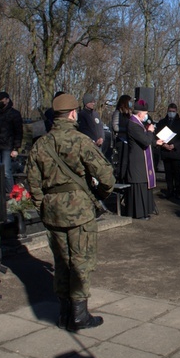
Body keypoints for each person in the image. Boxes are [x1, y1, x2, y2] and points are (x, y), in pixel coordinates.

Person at [26, 93, 115, 332]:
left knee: (62, 261)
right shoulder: (81, 141)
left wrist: (42, 205)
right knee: (81, 261)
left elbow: (32, 182)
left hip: (52, 211)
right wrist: (101, 195)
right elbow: (106, 176)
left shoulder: (40, 144)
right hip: (80, 211)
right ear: (74, 113)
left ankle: (64, 314)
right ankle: (79, 315)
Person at [126, 99, 163, 219]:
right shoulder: (133, 124)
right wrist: (150, 131)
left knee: (144, 183)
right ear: (140, 113)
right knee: (139, 185)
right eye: (145, 112)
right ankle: (139, 213)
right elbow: (145, 140)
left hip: (142, 160)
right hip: (137, 161)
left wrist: (156, 142)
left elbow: (146, 140)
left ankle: (146, 210)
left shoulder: (138, 123)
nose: (146, 115)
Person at [0, 91, 23, 195]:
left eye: (1, 99)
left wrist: (16, 148)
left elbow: (19, 132)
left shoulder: (14, 114)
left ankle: (11, 192)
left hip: (7, 147)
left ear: (7, 100)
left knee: (6, 172)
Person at [156, 103, 180, 199]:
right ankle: (169, 190)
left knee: (176, 172)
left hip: (175, 151)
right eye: (170, 111)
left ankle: (177, 190)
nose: (171, 113)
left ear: (176, 111)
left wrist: (174, 145)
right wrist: (164, 145)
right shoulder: (162, 122)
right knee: (168, 173)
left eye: (173, 112)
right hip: (165, 150)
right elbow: (157, 135)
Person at [111, 94, 133, 182]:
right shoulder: (117, 113)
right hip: (121, 140)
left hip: (128, 140)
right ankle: (120, 178)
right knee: (122, 162)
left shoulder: (129, 114)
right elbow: (115, 126)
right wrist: (126, 130)